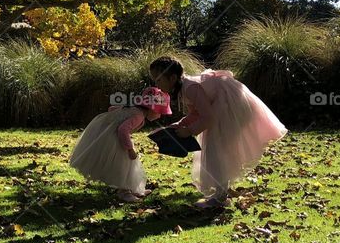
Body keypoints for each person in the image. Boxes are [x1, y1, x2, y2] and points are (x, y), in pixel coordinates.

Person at [149, 56, 287, 209]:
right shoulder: (184, 88)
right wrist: (180, 124)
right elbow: (196, 113)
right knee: (217, 150)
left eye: (158, 80)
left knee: (216, 150)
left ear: (173, 78)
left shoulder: (190, 88)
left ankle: (220, 197)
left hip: (230, 107)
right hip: (222, 108)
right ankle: (221, 195)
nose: (156, 85)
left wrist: (189, 131)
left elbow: (208, 117)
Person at [69, 86, 173, 203]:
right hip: (114, 139)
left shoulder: (133, 109)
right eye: (160, 112)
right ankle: (125, 192)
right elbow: (122, 130)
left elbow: (111, 109)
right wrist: (129, 149)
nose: (160, 115)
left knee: (128, 164)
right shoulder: (138, 116)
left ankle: (134, 189)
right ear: (152, 108)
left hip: (109, 136)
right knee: (126, 164)